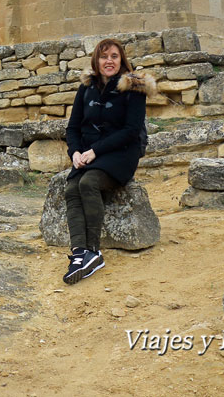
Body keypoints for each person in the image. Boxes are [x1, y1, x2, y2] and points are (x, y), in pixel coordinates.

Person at [62, 38, 155, 284]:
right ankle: (80, 252)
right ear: (96, 60)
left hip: (122, 153)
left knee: (87, 184)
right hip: (92, 154)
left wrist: (94, 151)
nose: (109, 61)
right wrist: (74, 152)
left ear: (122, 60)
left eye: (114, 56)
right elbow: (73, 127)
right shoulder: (87, 86)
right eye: (104, 57)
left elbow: (131, 130)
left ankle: (94, 251)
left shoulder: (133, 87)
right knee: (71, 188)